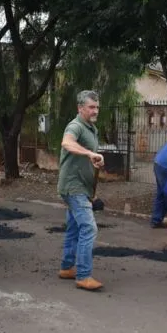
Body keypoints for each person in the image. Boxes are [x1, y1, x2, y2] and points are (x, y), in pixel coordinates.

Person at [57, 90, 105, 291]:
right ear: (80, 108)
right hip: (73, 187)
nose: (95, 111)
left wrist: (94, 159)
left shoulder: (91, 128)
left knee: (75, 227)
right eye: (91, 107)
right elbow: (67, 143)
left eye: (97, 107)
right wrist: (89, 153)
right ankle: (83, 275)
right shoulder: (75, 126)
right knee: (88, 228)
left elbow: (87, 155)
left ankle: (67, 267)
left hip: (82, 187)